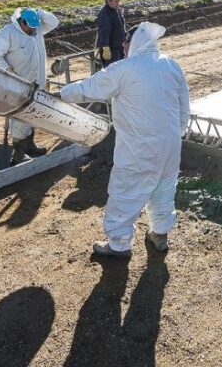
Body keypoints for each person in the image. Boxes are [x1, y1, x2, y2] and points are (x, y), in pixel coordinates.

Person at [61, 22, 191, 259]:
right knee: (164, 190)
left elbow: (89, 88)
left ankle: (119, 245)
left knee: (125, 193)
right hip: (170, 147)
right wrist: (176, 134)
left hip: (139, 149)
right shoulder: (172, 64)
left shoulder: (124, 68)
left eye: (126, 41)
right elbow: (184, 106)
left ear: (136, 41)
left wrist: (61, 94)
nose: (122, 45)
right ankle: (159, 234)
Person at [0, 7, 59, 164]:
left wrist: (38, 12)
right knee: (19, 115)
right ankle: (18, 153)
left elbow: (54, 22)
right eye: (31, 26)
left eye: (35, 26)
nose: (34, 30)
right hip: (18, 83)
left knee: (33, 113)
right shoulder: (7, 33)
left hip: (37, 81)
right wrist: (9, 73)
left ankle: (29, 146)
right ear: (21, 22)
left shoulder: (36, 30)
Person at [95, 0, 126, 67]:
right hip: (111, 49)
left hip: (120, 46)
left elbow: (121, 26)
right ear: (108, 1)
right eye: (115, 1)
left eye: (118, 1)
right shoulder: (104, 15)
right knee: (113, 70)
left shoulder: (117, 11)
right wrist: (105, 47)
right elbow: (104, 32)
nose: (117, 3)